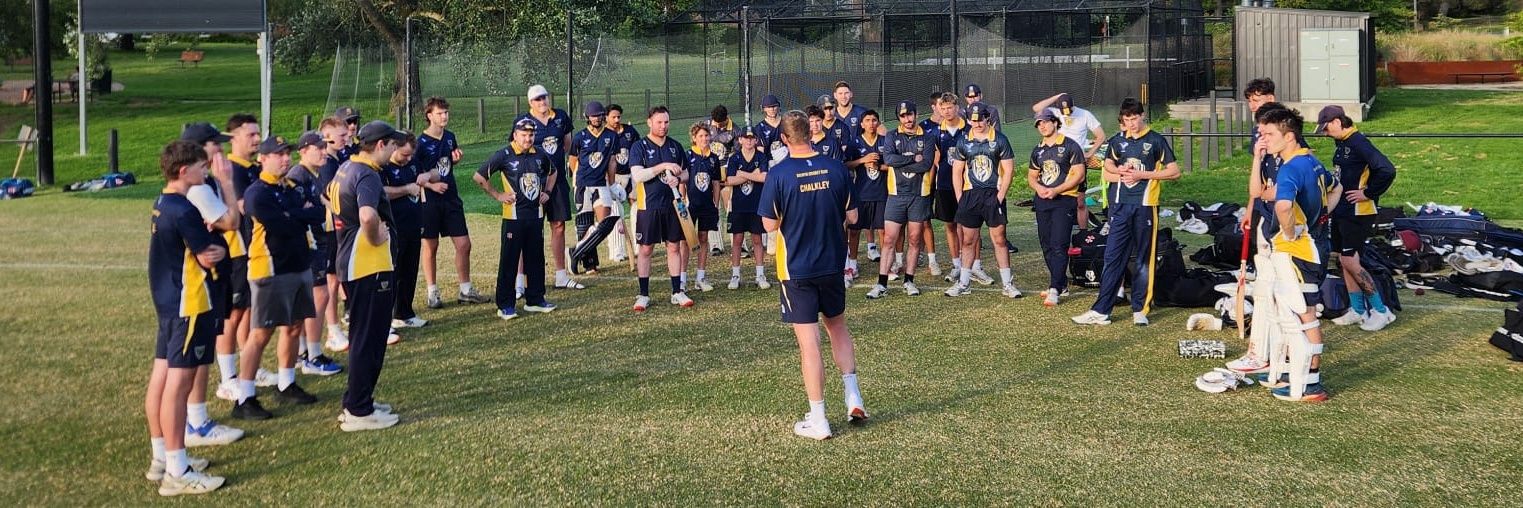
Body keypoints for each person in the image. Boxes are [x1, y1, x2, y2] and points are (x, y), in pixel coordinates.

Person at [759, 109, 867, 441]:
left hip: (797, 270)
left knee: (809, 344)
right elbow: (853, 214)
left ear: (784, 138)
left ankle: (819, 418)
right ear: (811, 133)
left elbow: (768, 225)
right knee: (838, 326)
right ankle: (853, 397)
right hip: (833, 263)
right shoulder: (835, 167)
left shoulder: (779, 174)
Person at [145, 140, 228, 495]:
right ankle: (176, 472)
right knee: (178, 387)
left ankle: (162, 458)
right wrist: (219, 249)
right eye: (201, 167)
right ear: (184, 172)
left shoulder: (162, 202)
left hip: (168, 303)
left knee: (162, 381)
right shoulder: (184, 210)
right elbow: (208, 255)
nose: (206, 172)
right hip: (188, 306)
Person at [231, 135, 327, 420]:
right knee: (260, 333)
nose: (285, 158)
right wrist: (301, 215)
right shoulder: (256, 193)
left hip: (298, 265)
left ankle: (286, 383)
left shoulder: (293, 188)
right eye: (278, 154)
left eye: (287, 153)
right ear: (263, 158)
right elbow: (282, 225)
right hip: (270, 270)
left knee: (295, 326)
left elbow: (319, 212)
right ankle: (244, 396)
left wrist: (297, 214)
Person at [1071, 98, 1180, 326]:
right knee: (1112, 257)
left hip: (1145, 207)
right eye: (1127, 119)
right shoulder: (1118, 141)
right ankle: (1102, 310)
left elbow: (1174, 171)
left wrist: (1143, 175)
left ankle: (1140, 309)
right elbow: (1108, 165)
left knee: (1142, 258)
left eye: (1134, 118)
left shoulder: (1156, 140)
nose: (1131, 123)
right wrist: (1118, 169)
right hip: (1119, 207)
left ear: (1142, 116)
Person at [330, 120, 407, 432]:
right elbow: (366, 215)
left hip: (353, 263)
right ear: (380, 145)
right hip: (367, 266)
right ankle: (359, 411)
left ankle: (356, 400)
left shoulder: (347, 168)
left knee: (363, 335)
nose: (395, 150)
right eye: (392, 145)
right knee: (368, 339)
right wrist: (377, 238)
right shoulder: (367, 175)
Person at [175, 123, 246, 447]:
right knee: (196, 357)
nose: (220, 150)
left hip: (205, 279)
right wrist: (228, 183)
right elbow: (232, 222)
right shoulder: (201, 188)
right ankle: (197, 423)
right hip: (198, 285)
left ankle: (196, 420)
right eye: (214, 145)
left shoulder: (202, 184)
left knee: (199, 355)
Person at [1260, 107, 1334, 402]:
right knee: (1303, 313)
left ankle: (1311, 384)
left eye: (1269, 134)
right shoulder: (1312, 161)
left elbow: (1282, 206)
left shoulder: (1291, 167)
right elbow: (1335, 187)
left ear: (1288, 136)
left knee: (1304, 316)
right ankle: (1303, 373)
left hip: (1301, 250)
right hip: (1316, 243)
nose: (1264, 139)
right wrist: (1323, 217)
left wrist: (1290, 232)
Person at [1318, 105, 1398, 331]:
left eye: (1326, 128)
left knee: (1351, 260)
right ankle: (1358, 310)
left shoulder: (1358, 142)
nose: (1325, 134)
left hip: (1358, 212)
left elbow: (1387, 170)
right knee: (1344, 260)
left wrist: (1368, 193)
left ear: (1336, 122)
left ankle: (1382, 310)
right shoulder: (1342, 143)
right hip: (1342, 210)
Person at [474, 119, 560, 320]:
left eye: (531, 134)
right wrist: (498, 195)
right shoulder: (504, 155)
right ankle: (505, 305)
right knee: (509, 261)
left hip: (535, 215)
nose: (528, 138)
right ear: (515, 135)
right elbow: (479, 177)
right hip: (513, 218)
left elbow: (553, 172)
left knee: (536, 259)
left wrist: (547, 191)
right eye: (523, 134)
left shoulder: (539, 154)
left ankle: (535, 300)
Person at [414, 97, 487, 310]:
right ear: (429, 116)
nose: (444, 116)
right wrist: (431, 186)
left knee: (464, 244)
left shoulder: (450, 137)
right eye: (439, 113)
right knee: (431, 245)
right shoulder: (420, 143)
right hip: (430, 200)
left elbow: (447, 163)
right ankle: (432, 292)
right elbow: (416, 175)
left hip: (451, 198)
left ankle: (466, 290)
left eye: (445, 112)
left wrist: (456, 159)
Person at [944, 103, 1021, 299]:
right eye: (973, 119)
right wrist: (961, 197)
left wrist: (1000, 196)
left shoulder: (1000, 140)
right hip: (971, 195)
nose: (977, 123)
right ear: (969, 119)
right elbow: (957, 171)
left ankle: (1007, 284)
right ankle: (963, 283)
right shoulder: (963, 141)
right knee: (968, 240)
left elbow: (1009, 170)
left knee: (1000, 239)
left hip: (993, 195)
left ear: (987, 118)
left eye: (980, 119)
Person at [285, 131, 346, 376]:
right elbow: (297, 212)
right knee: (317, 298)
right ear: (303, 151)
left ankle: (304, 353)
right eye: (318, 148)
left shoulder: (313, 174)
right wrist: (315, 212)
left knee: (312, 298)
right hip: (308, 245)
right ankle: (313, 355)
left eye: (325, 146)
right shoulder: (298, 176)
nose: (324, 151)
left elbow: (321, 203)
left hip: (317, 242)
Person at [515, 85, 583, 291]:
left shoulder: (560, 117)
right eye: (537, 99)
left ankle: (561, 276)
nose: (542, 101)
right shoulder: (523, 122)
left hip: (557, 180)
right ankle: (519, 281)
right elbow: (516, 149)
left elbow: (568, 147)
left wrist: (573, 173)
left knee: (559, 226)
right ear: (530, 103)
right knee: (526, 229)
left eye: (544, 97)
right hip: (531, 183)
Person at [629, 106, 696, 311]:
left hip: (672, 206)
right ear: (649, 122)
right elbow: (638, 176)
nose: (663, 126)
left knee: (674, 246)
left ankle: (677, 291)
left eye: (666, 122)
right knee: (646, 249)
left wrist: (678, 178)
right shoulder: (639, 147)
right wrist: (662, 166)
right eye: (659, 122)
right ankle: (643, 294)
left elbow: (686, 173)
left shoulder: (675, 146)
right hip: (648, 207)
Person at [868, 101, 936, 299]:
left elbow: (926, 164)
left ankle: (909, 280)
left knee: (915, 238)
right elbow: (889, 160)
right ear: (899, 117)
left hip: (919, 195)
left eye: (911, 115)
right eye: (904, 116)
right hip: (896, 195)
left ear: (916, 114)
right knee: (889, 239)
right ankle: (881, 283)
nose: (908, 119)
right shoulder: (891, 136)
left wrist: (903, 162)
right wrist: (912, 159)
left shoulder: (928, 137)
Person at [220, 114, 268, 392]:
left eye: (257, 133)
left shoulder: (251, 168)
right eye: (251, 134)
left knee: (248, 310)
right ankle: (227, 379)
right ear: (233, 138)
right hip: (235, 251)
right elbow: (242, 208)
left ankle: (252, 368)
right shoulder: (232, 170)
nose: (257, 139)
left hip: (252, 250)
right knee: (234, 313)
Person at [1027, 110, 1087, 307]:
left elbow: (1079, 174)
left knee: (1059, 243)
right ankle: (1060, 283)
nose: (1042, 126)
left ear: (1055, 122)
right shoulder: (1038, 150)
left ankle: (1054, 288)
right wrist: (1040, 189)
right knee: (1046, 243)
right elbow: (1032, 176)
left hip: (1064, 199)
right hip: (1043, 201)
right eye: (1038, 124)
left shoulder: (1070, 145)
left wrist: (1056, 190)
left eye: (1045, 122)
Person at [381, 134, 434, 330]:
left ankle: (405, 313)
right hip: (393, 228)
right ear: (393, 148)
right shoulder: (384, 167)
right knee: (393, 273)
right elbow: (381, 191)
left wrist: (427, 176)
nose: (408, 159)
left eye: (411, 155)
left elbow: (435, 173)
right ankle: (387, 317)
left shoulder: (413, 163)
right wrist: (406, 189)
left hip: (414, 226)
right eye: (405, 154)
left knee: (410, 271)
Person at [1032, 93, 1106, 228]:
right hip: (1055, 161)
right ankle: (1054, 225)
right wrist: (1058, 96)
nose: (1067, 113)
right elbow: (1037, 108)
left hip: (1075, 162)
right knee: (1053, 194)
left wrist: (1090, 153)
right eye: (1063, 111)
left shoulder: (1085, 115)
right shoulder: (1053, 113)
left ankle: (1083, 232)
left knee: (1080, 201)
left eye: (1069, 110)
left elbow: (1101, 136)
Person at [930, 92, 981, 284]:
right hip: (944, 185)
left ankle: (976, 265)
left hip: (968, 185)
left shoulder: (969, 129)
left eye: (950, 107)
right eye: (942, 108)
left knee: (969, 226)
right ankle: (957, 264)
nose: (946, 111)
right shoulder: (935, 133)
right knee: (950, 225)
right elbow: (935, 161)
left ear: (957, 108)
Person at [569, 101, 620, 275]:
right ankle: (590, 264)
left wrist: (612, 183)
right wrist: (576, 178)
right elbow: (573, 159)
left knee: (603, 225)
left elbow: (612, 161)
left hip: (601, 184)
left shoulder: (611, 136)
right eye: (593, 116)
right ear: (587, 117)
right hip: (583, 184)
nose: (597, 118)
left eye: (599, 115)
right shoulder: (579, 136)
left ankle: (575, 251)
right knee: (585, 226)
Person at [722, 126, 772, 290]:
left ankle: (760, 274)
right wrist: (753, 175)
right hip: (739, 205)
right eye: (746, 138)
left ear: (756, 140)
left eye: (752, 138)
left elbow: (764, 177)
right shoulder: (735, 157)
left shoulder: (761, 156)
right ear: (740, 140)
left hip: (756, 205)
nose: (749, 141)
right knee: (737, 240)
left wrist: (742, 174)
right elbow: (730, 179)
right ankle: (735, 274)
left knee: (757, 240)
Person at [845, 109, 888, 285]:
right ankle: (853, 265)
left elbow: (892, 165)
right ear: (861, 124)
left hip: (881, 193)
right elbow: (846, 164)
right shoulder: (854, 143)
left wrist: (880, 166)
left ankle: (886, 266)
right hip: (861, 194)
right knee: (854, 231)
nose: (871, 123)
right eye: (868, 120)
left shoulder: (885, 141)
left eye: (874, 120)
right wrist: (863, 160)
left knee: (883, 231)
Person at [685, 122, 724, 292]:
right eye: (700, 136)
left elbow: (716, 183)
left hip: (707, 205)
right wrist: (683, 202)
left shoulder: (714, 158)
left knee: (703, 239)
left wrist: (715, 204)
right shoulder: (687, 156)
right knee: (685, 242)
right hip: (690, 205)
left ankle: (700, 277)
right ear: (694, 138)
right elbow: (683, 181)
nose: (704, 139)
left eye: (706, 135)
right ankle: (681, 279)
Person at [606, 104, 640, 262]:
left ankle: (640, 245)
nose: (616, 120)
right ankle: (617, 250)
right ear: (606, 117)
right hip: (614, 177)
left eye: (618, 116)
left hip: (631, 174)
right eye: (613, 117)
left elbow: (638, 150)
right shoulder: (604, 135)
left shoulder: (630, 132)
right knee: (614, 210)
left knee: (636, 206)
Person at [706, 105, 738, 256]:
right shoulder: (705, 127)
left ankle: (738, 244)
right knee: (713, 207)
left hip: (727, 174)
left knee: (731, 206)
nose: (719, 126)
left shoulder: (735, 130)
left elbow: (738, 155)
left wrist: (730, 174)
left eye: (722, 123)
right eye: (716, 123)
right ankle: (716, 245)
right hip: (710, 173)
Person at [756, 94, 785, 164]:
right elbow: (760, 150)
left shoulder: (787, 123)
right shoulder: (759, 128)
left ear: (778, 106)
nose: (772, 109)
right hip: (769, 161)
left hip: (787, 159)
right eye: (768, 107)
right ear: (763, 108)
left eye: (774, 106)